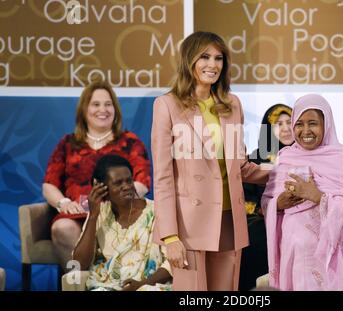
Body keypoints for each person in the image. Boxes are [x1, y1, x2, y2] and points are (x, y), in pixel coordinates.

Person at [151, 31, 269, 291]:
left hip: (229, 219)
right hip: (188, 225)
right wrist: (170, 235)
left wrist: (280, 171)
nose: (213, 65)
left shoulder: (231, 104)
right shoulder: (167, 105)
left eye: (218, 58)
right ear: (188, 60)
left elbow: (240, 166)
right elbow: (162, 177)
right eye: (204, 57)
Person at [261, 94, 343, 291]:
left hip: (335, 265)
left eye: (313, 123)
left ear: (326, 125)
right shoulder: (285, 159)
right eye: (299, 124)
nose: (305, 131)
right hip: (296, 259)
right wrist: (279, 203)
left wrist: (318, 196)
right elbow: (267, 203)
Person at [42, 80, 151, 270]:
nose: (103, 109)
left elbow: (142, 183)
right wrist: (64, 203)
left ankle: (110, 281)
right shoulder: (68, 143)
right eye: (96, 104)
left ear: (115, 109)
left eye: (108, 104)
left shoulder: (130, 142)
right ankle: (78, 283)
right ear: (84, 110)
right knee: (62, 228)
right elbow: (49, 184)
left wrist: (115, 203)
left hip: (118, 214)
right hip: (76, 215)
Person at [72, 155, 171, 291]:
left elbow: (171, 262)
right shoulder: (99, 213)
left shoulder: (156, 212)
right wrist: (93, 216)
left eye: (129, 181)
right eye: (118, 183)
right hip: (108, 285)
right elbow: (79, 263)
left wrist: (142, 284)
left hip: (149, 285)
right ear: (101, 187)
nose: (126, 187)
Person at [239, 104, 294, 290]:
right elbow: (244, 200)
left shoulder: (308, 159)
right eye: (279, 124)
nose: (286, 128)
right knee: (255, 237)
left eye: (290, 122)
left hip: (298, 223)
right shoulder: (253, 161)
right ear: (268, 129)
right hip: (262, 223)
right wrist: (270, 208)